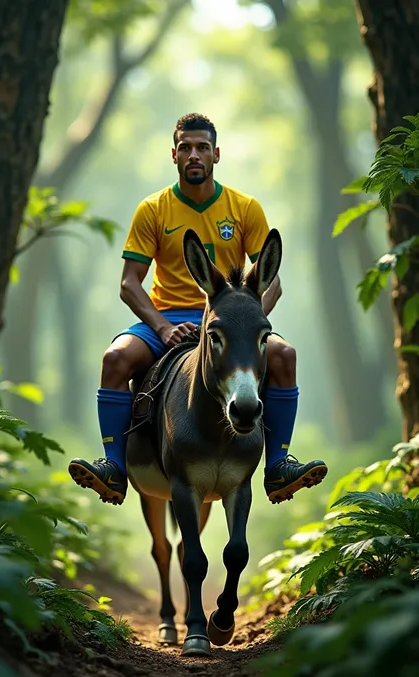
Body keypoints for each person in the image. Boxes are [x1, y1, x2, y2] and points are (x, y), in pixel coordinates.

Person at [68, 113, 328, 506]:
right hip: (167, 319)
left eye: (202, 148)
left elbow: (271, 281)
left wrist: (248, 323)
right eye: (186, 147)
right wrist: (160, 328)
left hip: (229, 320)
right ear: (174, 154)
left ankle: (277, 467)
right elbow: (129, 283)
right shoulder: (152, 209)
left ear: (216, 154)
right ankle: (113, 469)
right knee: (115, 359)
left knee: (285, 355)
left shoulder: (245, 208)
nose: (194, 155)